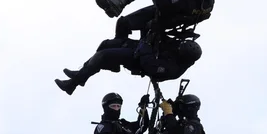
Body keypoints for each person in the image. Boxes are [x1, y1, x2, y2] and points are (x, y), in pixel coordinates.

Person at [54, 33, 202, 95]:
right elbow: (167, 42)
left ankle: (72, 84)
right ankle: (82, 74)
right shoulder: (179, 49)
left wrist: (147, 45)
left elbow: (148, 64)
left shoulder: (174, 69)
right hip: (141, 47)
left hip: (137, 59)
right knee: (106, 44)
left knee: (103, 56)